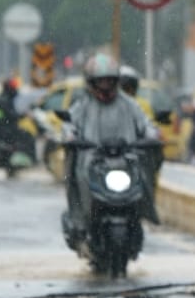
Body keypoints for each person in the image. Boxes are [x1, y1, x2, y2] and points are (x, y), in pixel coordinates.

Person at [63, 54, 161, 244]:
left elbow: (145, 123)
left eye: (109, 81)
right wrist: (70, 136)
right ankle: (81, 222)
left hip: (125, 160)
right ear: (92, 83)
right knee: (76, 176)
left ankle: (141, 215)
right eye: (101, 82)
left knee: (144, 173)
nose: (106, 86)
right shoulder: (83, 105)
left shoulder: (129, 104)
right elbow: (69, 124)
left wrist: (151, 135)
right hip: (92, 161)